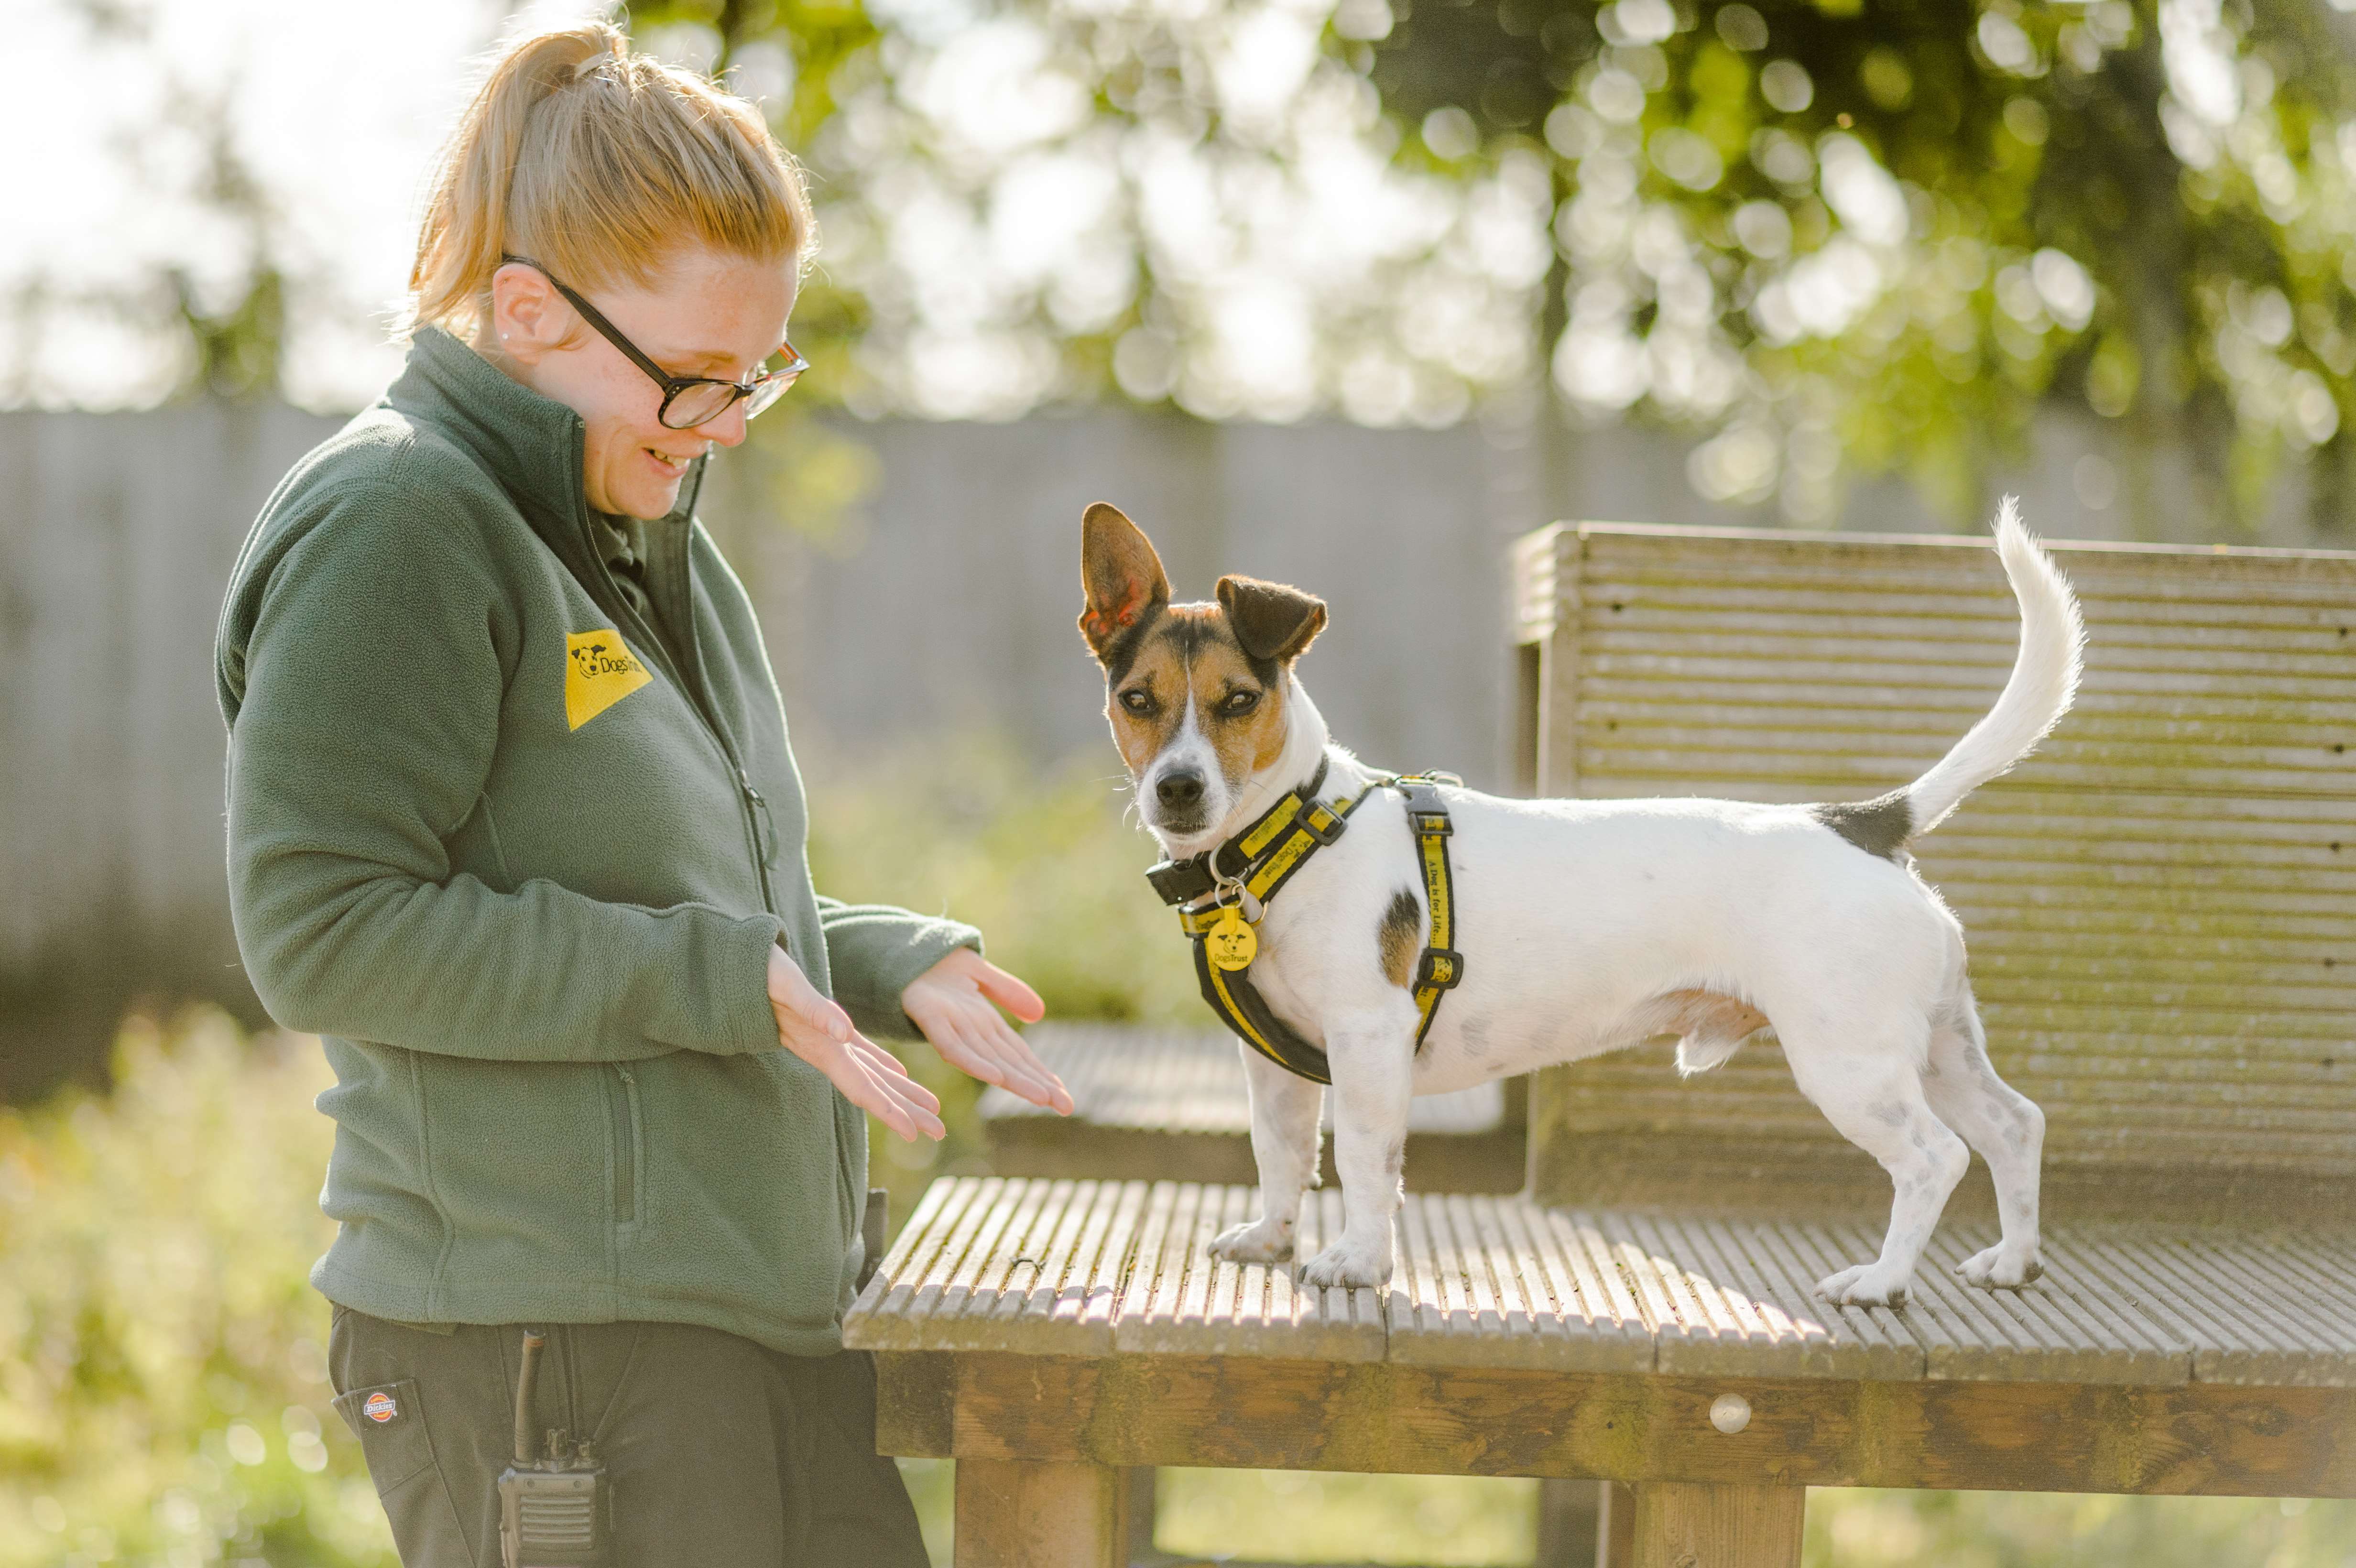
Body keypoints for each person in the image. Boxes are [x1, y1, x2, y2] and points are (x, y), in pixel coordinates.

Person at [213, 22, 1071, 1564]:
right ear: (531, 309)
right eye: (695, 380)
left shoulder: (639, 530)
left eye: (758, 377)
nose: (731, 424)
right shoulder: (398, 522)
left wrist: (872, 961)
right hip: (551, 1359)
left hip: (750, 1329)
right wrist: (721, 977)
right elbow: (323, 933)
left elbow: (668, 898)